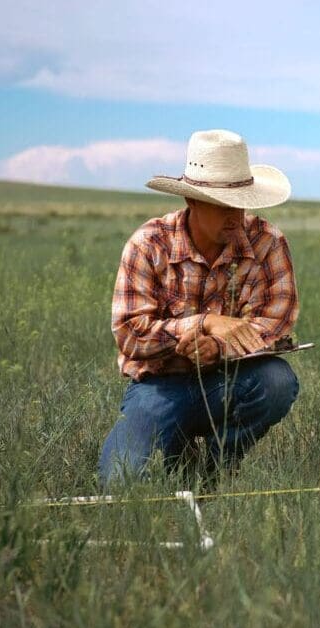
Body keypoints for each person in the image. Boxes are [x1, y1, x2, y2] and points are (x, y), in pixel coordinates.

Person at [98, 129, 300, 488]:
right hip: (159, 386)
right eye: (222, 205)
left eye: (241, 202)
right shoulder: (149, 244)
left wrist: (218, 346)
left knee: (277, 381)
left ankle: (215, 473)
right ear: (192, 202)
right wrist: (205, 324)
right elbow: (130, 334)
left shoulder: (267, 242)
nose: (235, 215)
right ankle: (178, 449)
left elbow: (275, 322)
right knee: (120, 484)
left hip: (231, 379)